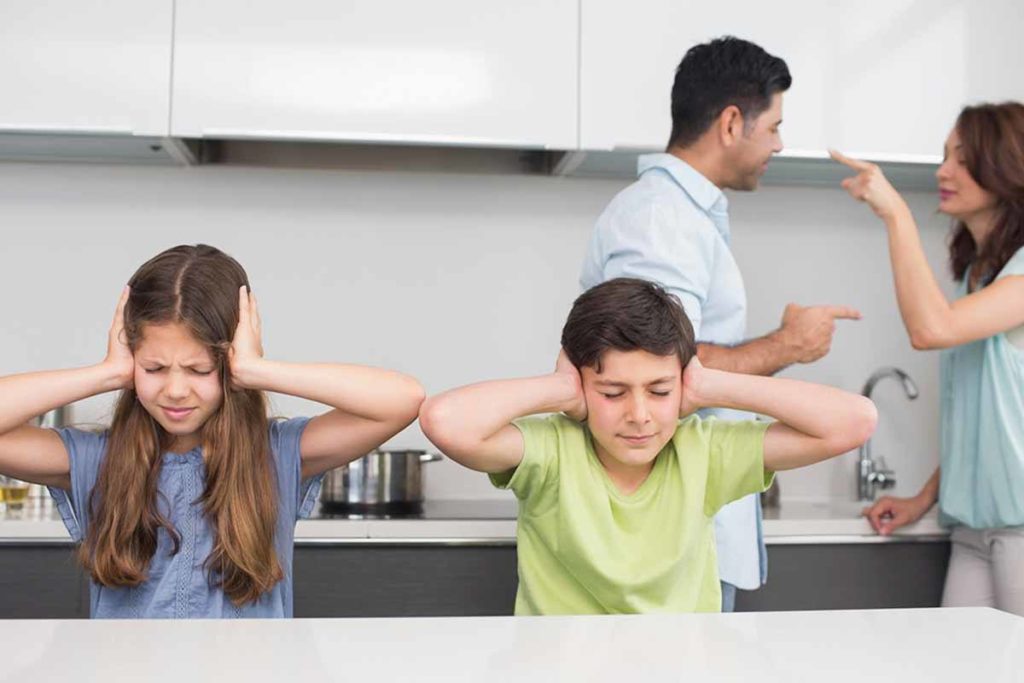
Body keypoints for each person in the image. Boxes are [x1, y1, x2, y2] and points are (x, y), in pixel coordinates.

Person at [579, 36, 861, 611]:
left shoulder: (677, 215)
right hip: (673, 536)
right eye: (775, 126)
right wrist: (788, 345)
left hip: (683, 528)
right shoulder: (663, 220)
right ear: (732, 122)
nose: (778, 144)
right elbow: (656, 363)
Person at [0, 244, 425, 618]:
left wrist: (257, 370)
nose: (175, 390)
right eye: (154, 368)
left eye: (200, 369)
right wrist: (105, 374)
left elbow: (402, 399)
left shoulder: (277, 455)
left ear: (230, 364)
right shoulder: (96, 460)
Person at [419, 278, 876, 614]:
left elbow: (854, 422)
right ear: (580, 387)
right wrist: (556, 388)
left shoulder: (704, 451)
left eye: (659, 391)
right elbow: (444, 421)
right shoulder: (552, 452)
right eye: (613, 393)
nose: (638, 415)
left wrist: (710, 384)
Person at [834, 102, 1024, 616]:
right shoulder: (978, 278)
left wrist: (895, 213)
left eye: (962, 159)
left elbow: (930, 329)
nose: (944, 171)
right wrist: (926, 497)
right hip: (974, 530)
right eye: (944, 156)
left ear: (1006, 165)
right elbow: (986, 419)